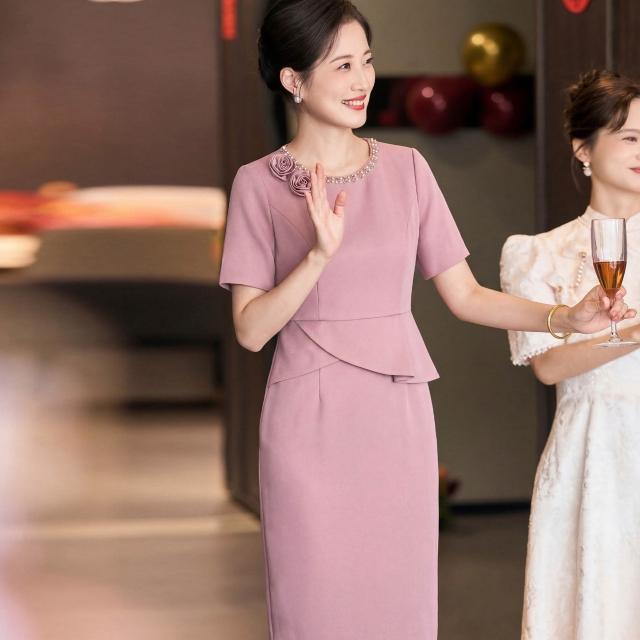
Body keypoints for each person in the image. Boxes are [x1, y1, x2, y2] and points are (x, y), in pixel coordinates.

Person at [219, 3, 633, 636]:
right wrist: (318, 257)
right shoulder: (258, 185)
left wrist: (566, 317)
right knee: (314, 604)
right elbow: (251, 330)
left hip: (398, 411)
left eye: (367, 61)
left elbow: (466, 296)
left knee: (399, 604)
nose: (362, 80)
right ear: (293, 80)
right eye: (342, 66)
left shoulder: (408, 169)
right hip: (308, 419)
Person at [500, 69, 640, 640]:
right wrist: (633, 335)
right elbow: (547, 365)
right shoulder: (538, 254)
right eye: (629, 138)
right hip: (592, 457)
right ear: (584, 148)